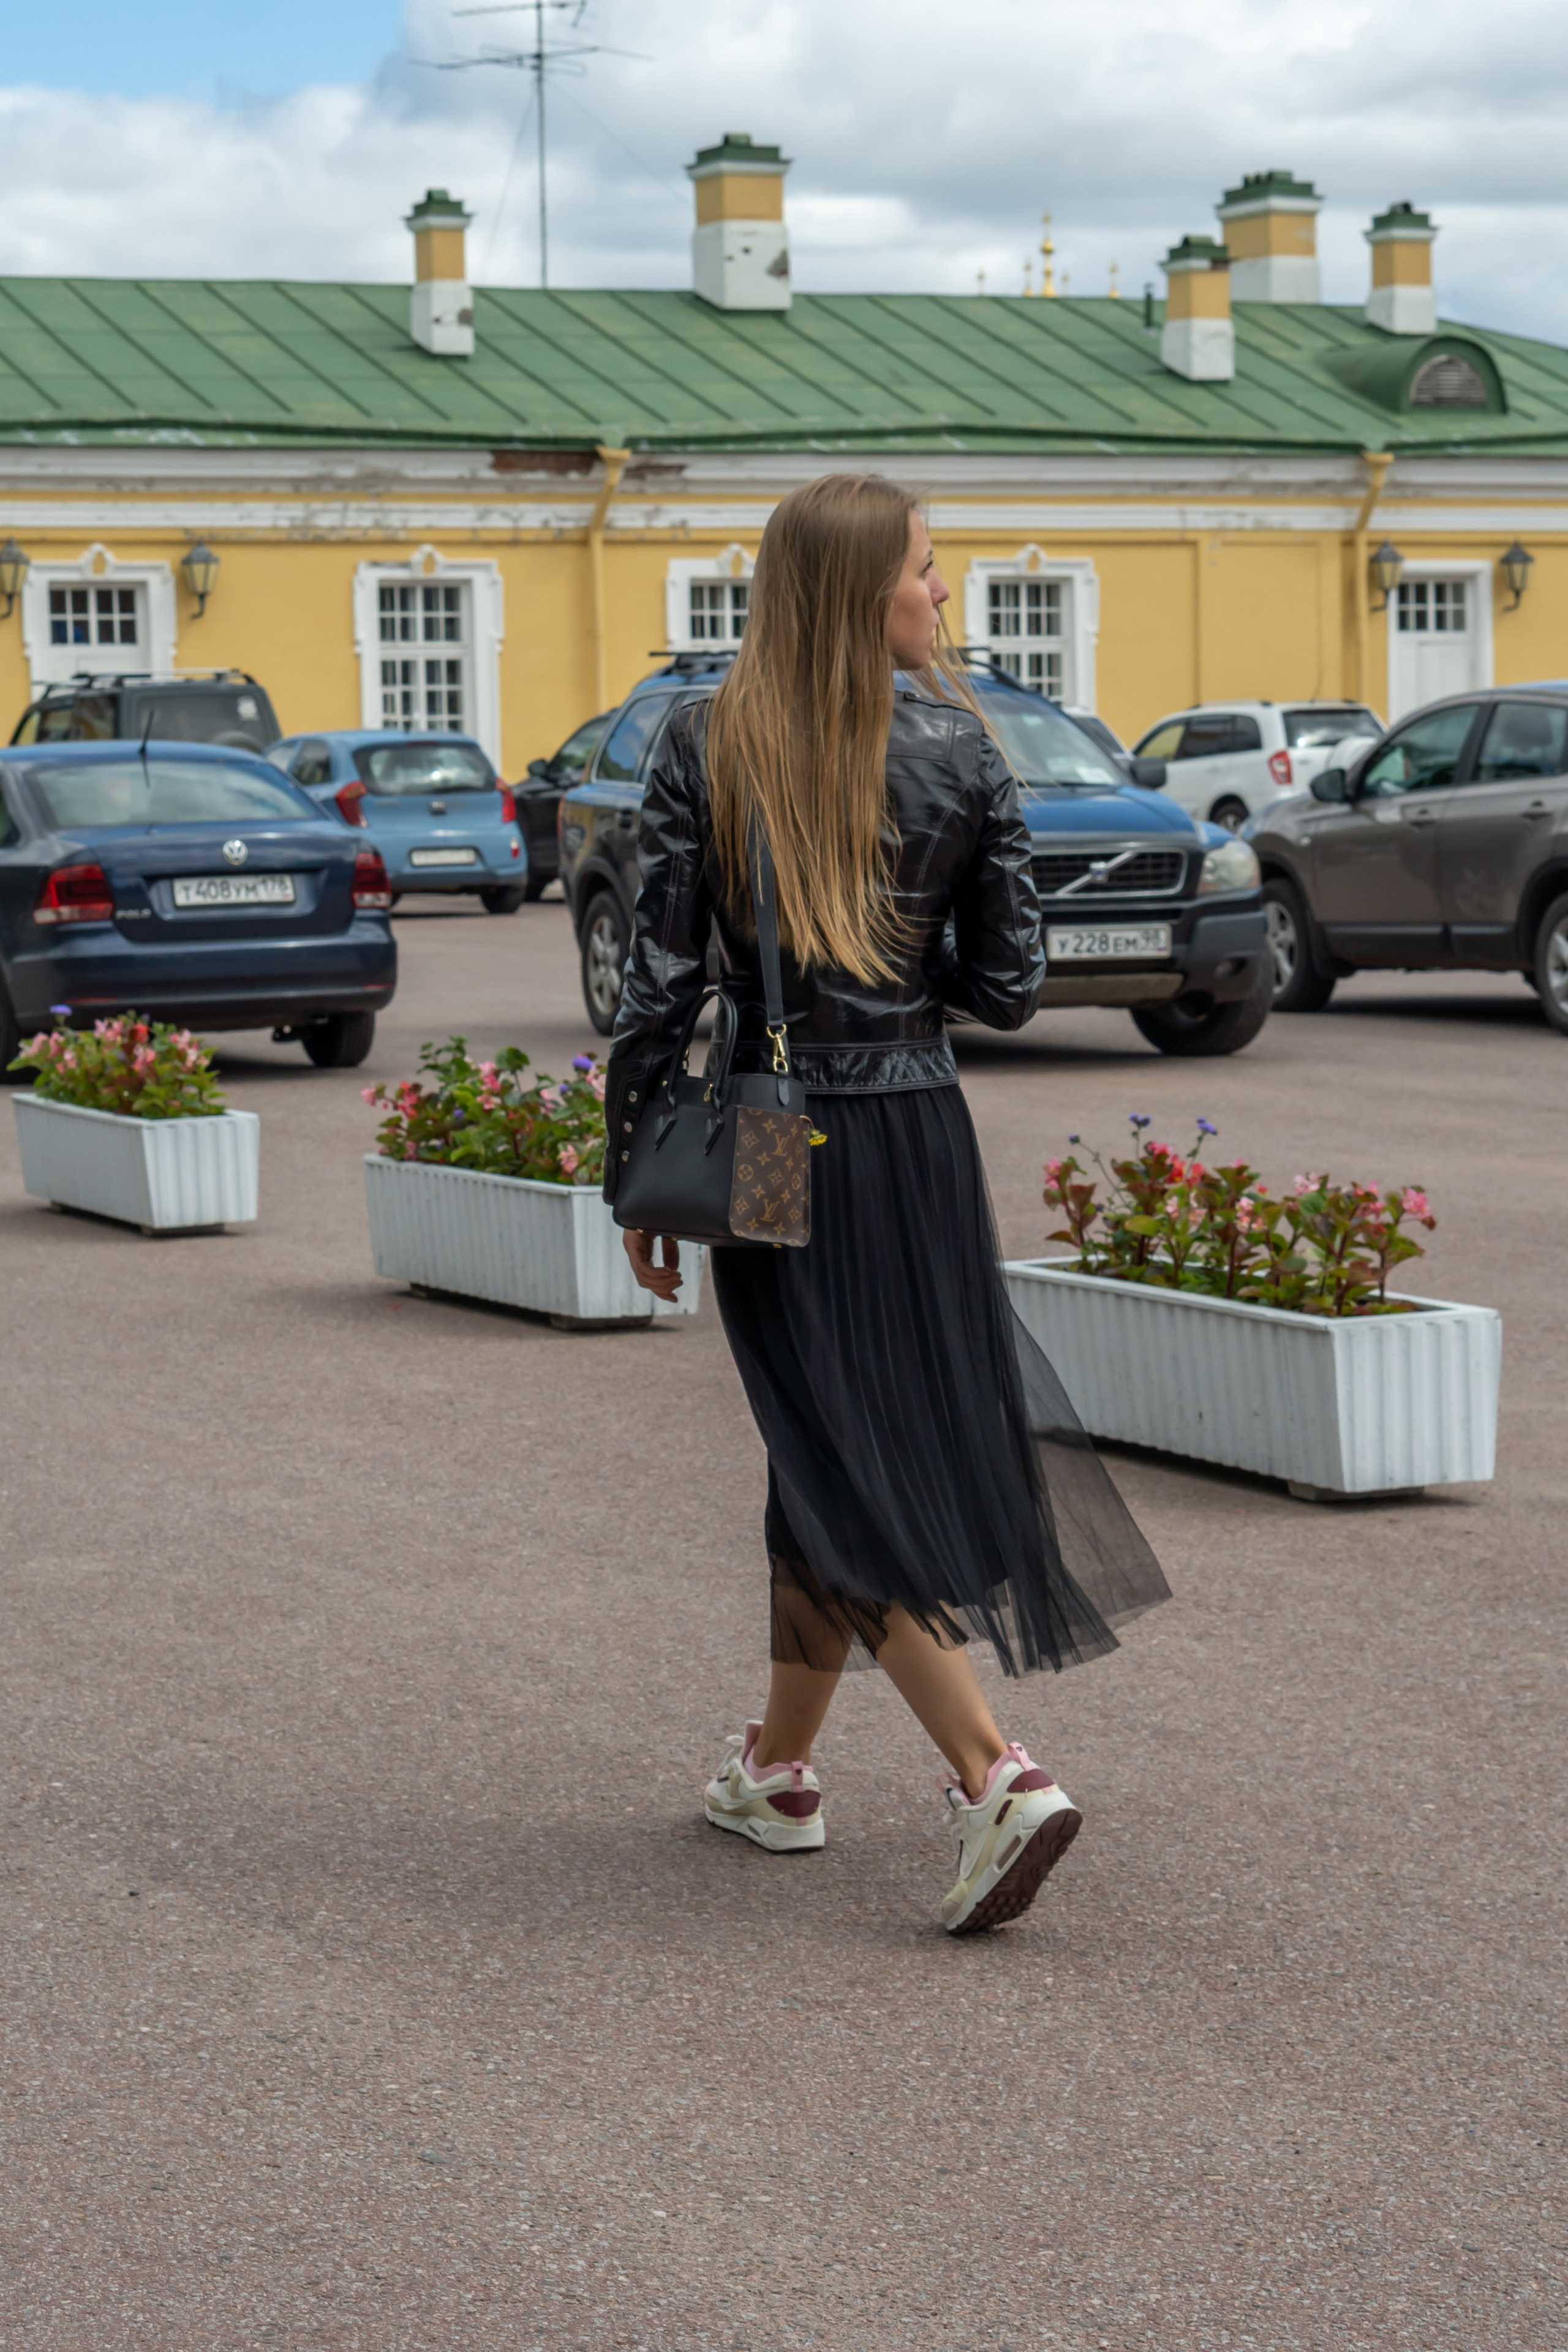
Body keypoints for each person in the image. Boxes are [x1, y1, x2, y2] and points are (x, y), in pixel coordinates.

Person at [603, 473, 1168, 1934]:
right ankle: (778, 1771)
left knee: (843, 1451)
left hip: (777, 1140)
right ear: (864, 594)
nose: (946, 592)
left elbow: (655, 990)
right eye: (928, 569)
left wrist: (637, 1177)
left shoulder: (701, 741)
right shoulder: (966, 752)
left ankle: (992, 1775)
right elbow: (1008, 987)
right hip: (916, 1125)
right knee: (832, 1444)